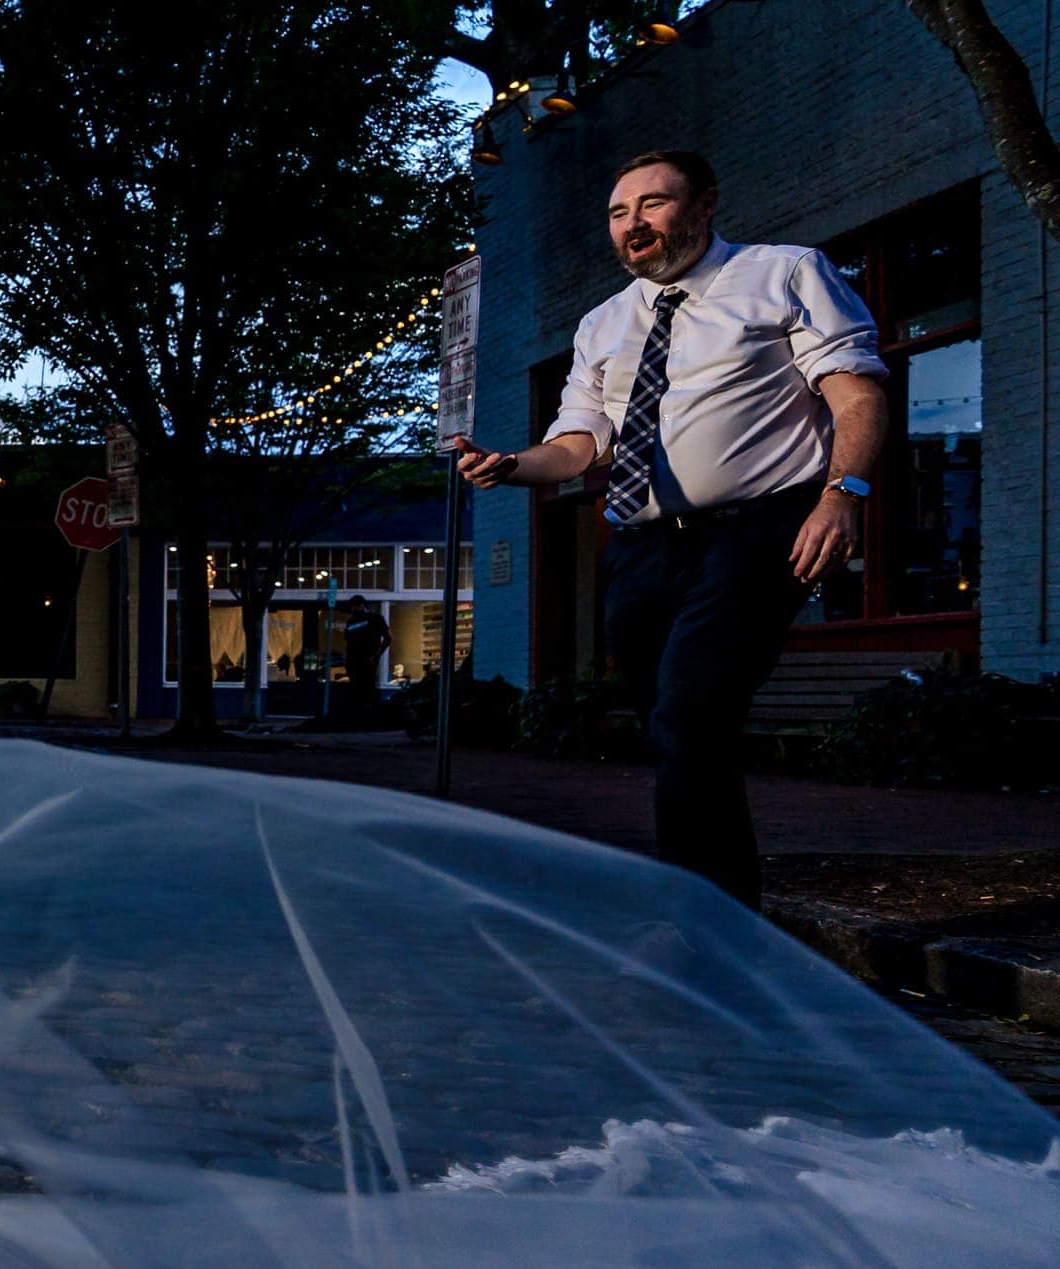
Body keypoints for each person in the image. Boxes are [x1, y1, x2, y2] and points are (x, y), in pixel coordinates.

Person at [455, 149, 888, 909]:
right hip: (644, 547)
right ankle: (717, 905)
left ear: (704, 204)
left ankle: (707, 924)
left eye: (653, 205)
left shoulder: (784, 273)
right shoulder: (604, 322)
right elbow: (579, 444)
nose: (634, 225)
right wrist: (509, 463)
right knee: (679, 731)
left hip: (759, 528)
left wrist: (842, 493)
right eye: (620, 214)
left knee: (691, 714)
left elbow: (855, 396)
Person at [341, 596, 390, 721]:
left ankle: (369, 716)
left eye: (356, 606)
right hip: (353, 660)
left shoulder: (375, 619)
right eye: (352, 606)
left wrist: (377, 655)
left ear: (363, 605)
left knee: (368, 686)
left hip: (368, 658)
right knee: (355, 687)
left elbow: (388, 638)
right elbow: (348, 642)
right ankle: (356, 715)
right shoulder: (351, 622)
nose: (353, 609)